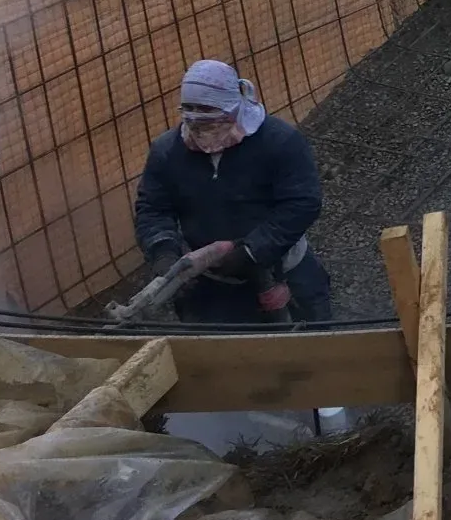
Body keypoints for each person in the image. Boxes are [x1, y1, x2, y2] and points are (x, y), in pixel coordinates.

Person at [134, 59, 332, 324]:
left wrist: (252, 251)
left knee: (316, 352)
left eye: (210, 120)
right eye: (193, 120)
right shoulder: (167, 152)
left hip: (287, 271)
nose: (202, 132)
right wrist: (163, 253)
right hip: (211, 288)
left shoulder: (279, 142)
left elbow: (302, 203)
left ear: (233, 108)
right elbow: (153, 208)